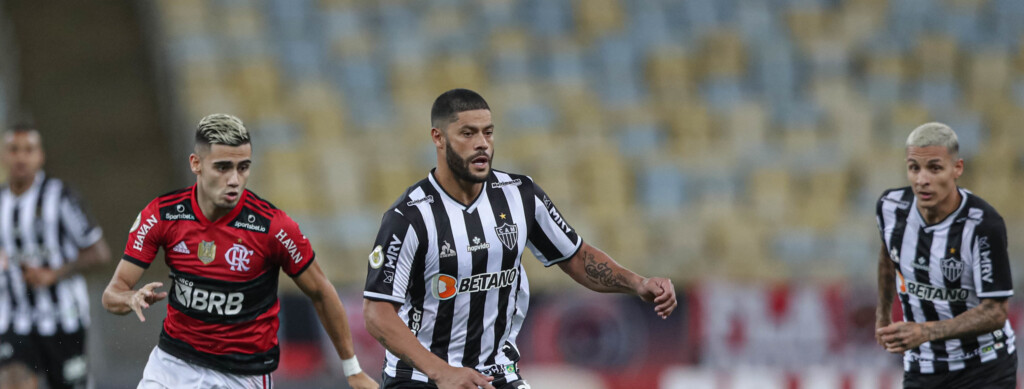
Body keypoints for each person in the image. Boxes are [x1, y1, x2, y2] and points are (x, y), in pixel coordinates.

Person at [363, 88, 677, 389]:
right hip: (421, 379)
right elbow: (377, 313)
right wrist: (443, 373)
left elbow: (577, 258)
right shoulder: (410, 217)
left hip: (496, 375)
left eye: (488, 132)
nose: (482, 144)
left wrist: (638, 283)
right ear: (438, 138)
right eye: (468, 133)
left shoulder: (520, 196)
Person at [101, 114, 377, 389]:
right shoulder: (163, 215)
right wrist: (130, 298)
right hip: (173, 364)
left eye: (242, 167)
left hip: (242, 376)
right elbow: (112, 293)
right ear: (196, 164)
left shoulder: (273, 227)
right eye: (223, 167)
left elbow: (321, 291)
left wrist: (352, 369)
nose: (234, 179)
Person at [875, 122, 1016, 388]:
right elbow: (887, 256)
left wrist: (925, 331)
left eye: (934, 168)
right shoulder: (891, 207)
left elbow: (996, 311)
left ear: (957, 169)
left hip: (984, 367)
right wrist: (882, 317)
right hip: (922, 367)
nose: (922, 179)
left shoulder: (983, 224)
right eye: (914, 168)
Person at [0, 124, 111, 389]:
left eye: (29, 150)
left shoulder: (60, 197)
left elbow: (99, 252)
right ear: (4, 156)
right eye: (14, 150)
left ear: (40, 156)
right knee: (12, 381)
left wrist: (54, 273)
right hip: (15, 318)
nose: (21, 157)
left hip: (64, 317)